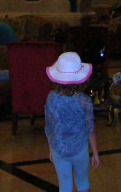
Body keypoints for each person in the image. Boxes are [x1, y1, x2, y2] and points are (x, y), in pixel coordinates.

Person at [45, 52, 100, 192]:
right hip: (80, 149)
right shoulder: (85, 101)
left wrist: (51, 149)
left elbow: (49, 127)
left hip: (59, 149)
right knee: (83, 182)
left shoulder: (51, 98)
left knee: (64, 184)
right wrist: (95, 153)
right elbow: (90, 129)